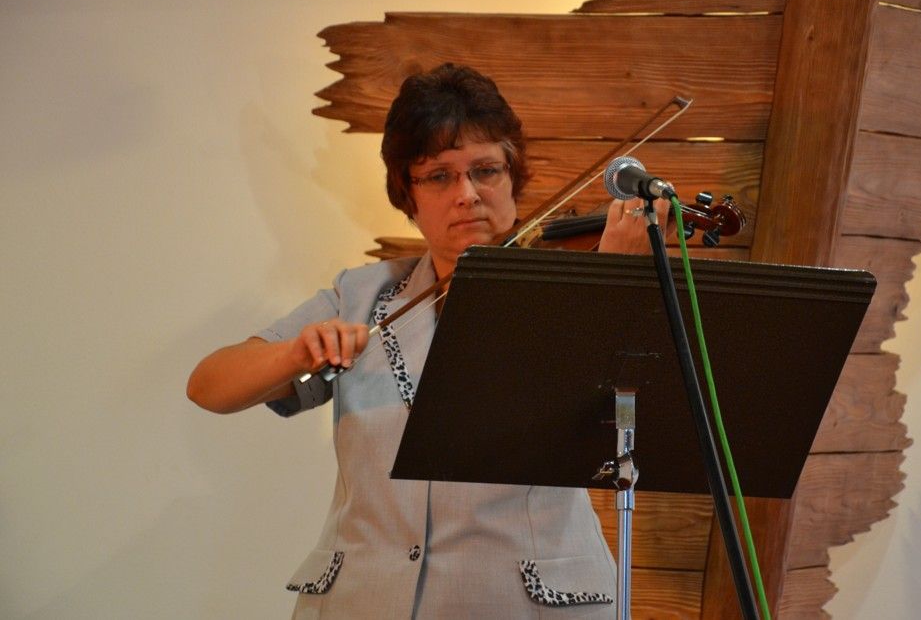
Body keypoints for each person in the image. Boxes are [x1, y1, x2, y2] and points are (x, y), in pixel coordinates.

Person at [187, 63, 667, 618]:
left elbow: (616, 422)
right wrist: (298, 351)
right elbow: (209, 386)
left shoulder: (575, 289)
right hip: (363, 603)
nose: (467, 194)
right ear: (407, 196)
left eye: (486, 170)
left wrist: (614, 283)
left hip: (520, 604)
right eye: (438, 176)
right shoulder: (361, 296)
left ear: (512, 177)